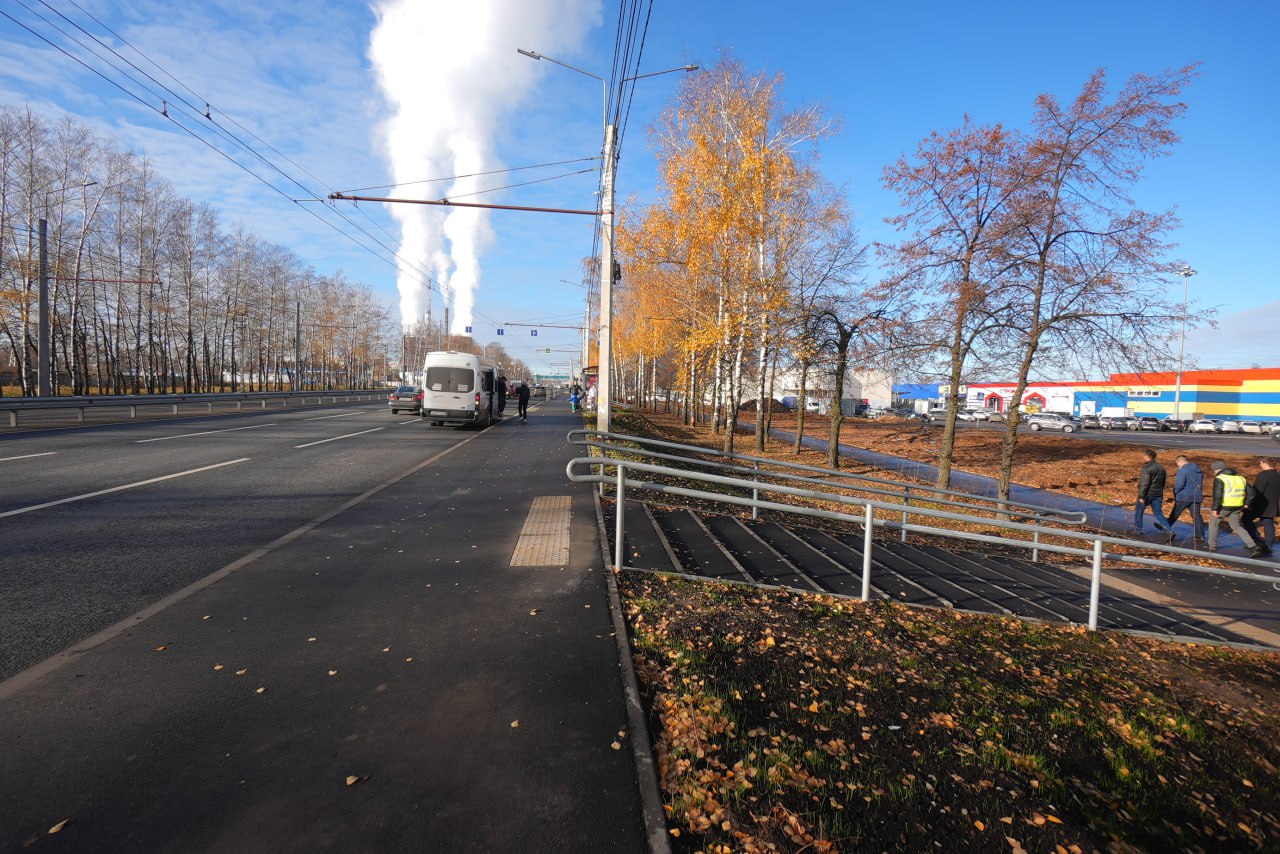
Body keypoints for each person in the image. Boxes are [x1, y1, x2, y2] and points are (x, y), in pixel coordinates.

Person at [1207, 460, 1269, 556]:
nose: (1214, 472)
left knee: (1214, 525)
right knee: (1236, 526)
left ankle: (1211, 546)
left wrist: (1215, 508)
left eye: (1214, 470)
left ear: (1217, 470)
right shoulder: (1240, 478)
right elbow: (1252, 492)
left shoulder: (1220, 478)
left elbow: (1217, 495)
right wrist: (1247, 504)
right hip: (1237, 507)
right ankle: (1253, 546)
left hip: (1223, 507)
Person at [1165, 455, 1206, 545]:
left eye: (1177, 464)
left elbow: (1180, 484)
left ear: (1180, 462)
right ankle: (1200, 535)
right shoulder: (1199, 470)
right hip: (1196, 496)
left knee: (1175, 513)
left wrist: (1176, 491)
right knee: (1196, 516)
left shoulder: (1183, 470)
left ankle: (1166, 527)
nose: (1178, 466)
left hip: (1184, 496)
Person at [1243, 457, 1279, 550]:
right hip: (1273, 504)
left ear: (1266, 464)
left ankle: (1256, 540)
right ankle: (1268, 545)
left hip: (1260, 504)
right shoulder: (1278, 475)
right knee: (1268, 522)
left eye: (1261, 464)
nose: (1260, 465)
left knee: (1246, 519)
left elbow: (1257, 491)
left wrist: (1250, 504)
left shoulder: (1263, 475)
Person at [1133, 449, 1171, 534]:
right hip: (1158, 494)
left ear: (1147, 457)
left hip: (1147, 494)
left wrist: (1142, 496)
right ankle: (1169, 530)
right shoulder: (1161, 468)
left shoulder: (1147, 468)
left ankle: (1138, 529)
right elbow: (1163, 482)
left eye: (1144, 456)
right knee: (1158, 512)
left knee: (1139, 511)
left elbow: (1144, 483)